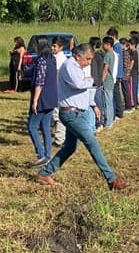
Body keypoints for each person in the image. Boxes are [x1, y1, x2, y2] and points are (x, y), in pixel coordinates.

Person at [37, 44, 127, 191]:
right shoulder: (69, 66)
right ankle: (111, 179)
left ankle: (45, 173)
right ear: (78, 56)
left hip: (77, 112)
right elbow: (79, 84)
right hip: (71, 114)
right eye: (88, 59)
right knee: (92, 143)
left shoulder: (76, 67)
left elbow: (84, 90)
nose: (89, 62)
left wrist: (92, 103)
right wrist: (90, 80)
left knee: (70, 147)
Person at [27, 37, 58, 167]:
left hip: (42, 97)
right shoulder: (52, 59)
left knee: (32, 126)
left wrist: (35, 101)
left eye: (36, 46)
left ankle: (41, 154)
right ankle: (48, 155)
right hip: (52, 97)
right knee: (45, 127)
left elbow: (39, 82)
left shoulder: (41, 60)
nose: (34, 48)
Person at [51, 37, 67, 146]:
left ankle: (59, 138)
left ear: (61, 47)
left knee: (58, 114)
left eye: (55, 46)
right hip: (56, 89)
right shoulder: (55, 57)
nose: (52, 48)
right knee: (55, 114)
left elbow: (57, 75)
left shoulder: (60, 58)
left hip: (58, 89)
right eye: (52, 46)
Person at [106, 27, 125, 119]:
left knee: (116, 93)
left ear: (113, 36)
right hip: (117, 73)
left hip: (116, 73)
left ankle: (119, 112)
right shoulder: (118, 46)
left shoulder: (117, 47)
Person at [89, 36, 105, 133]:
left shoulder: (95, 57)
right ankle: (100, 122)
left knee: (96, 104)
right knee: (99, 104)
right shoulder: (103, 55)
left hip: (95, 84)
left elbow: (93, 71)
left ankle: (98, 123)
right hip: (99, 82)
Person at [101, 36, 116, 129]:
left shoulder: (107, 55)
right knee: (109, 101)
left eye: (103, 44)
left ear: (108, 45)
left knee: (107, 102)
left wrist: (101, 80)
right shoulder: (112, 54)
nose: (102, 46)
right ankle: (110, 120)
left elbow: (105, 69)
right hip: (111, 81)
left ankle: (108, 122)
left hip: (107, 81)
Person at [120, 38, 135, 112]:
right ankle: (127, 105)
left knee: (126, 90)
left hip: (125, 75)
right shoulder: (126, 52)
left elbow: (125, 65)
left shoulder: (124, 53)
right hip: (126, 74)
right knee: (125, 89)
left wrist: (124, 73)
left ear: (123, 45)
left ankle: (128, 106)